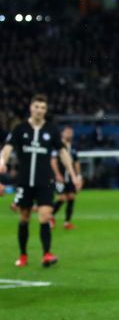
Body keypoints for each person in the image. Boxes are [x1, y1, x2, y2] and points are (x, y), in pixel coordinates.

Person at [0, 94, 78, 267]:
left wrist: (73, 174)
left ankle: (47, 254)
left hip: (45, 181)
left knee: (45, 216)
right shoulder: (20, 129)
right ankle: (23, 255)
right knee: (24, 218)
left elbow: (63, 153)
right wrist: (2, 162)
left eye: (43, 108)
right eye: (37, 107)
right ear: (31, 107)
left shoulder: (51, 130)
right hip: (25, 181)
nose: (40, 110)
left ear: (46, 110)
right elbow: (7, 148)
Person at [52, 126, 81, 230]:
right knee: (62, 198)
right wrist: (57, 174)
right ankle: (50, 216)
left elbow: (76, 162)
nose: (70, 134)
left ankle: (67, 222)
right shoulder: (58, 145)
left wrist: (78, 176)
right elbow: (53, 161)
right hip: (60, 177)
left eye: (71, 132)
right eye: (67, 132)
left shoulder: (73, 147)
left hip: (70, 177)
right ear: (62, 133)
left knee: (71, 197)